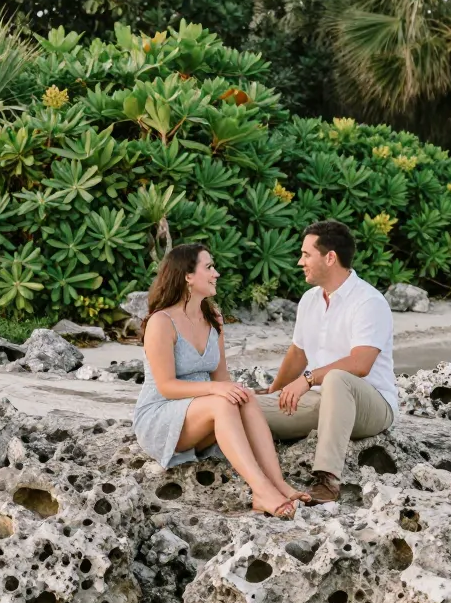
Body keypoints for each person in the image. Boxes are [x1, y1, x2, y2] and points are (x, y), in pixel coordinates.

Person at [132, 243, 308, 518]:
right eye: (209, 267)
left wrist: (227, 389)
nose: (216, 273)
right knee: (222, 402)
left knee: (244, 394)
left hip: (204, 410)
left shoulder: (213, 317)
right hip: (161, 415)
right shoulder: (161, 321)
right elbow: (166, 386)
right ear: (188, 276)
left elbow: (222, 378)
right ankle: (261, 490)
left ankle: (279, 483)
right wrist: (217, 389)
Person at [259, 219, 398, 503]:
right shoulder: (309, 300)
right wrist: (275, 392)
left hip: (371, 406)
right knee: (240, 405)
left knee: (336, 378)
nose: (300, 262)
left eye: (306, 254)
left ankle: (327, 481)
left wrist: (307, 380)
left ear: (330, 257)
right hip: (321, 404)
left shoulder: (368, 302)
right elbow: (297, 353)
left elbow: (360, 364)